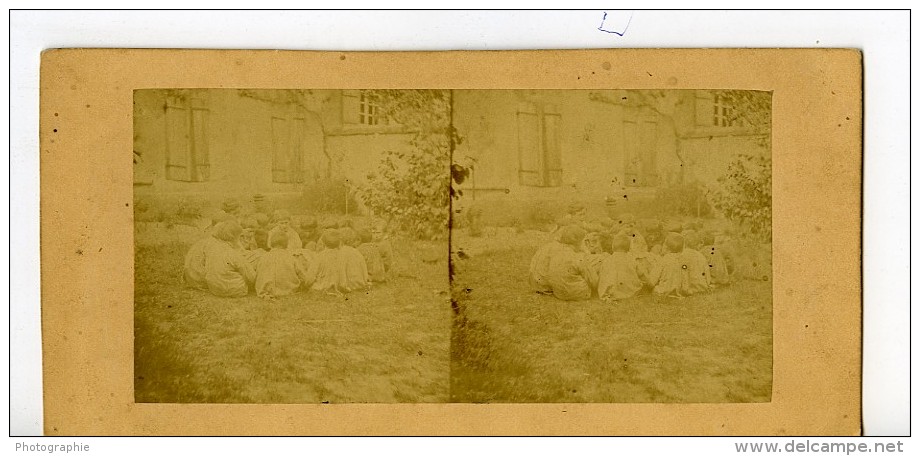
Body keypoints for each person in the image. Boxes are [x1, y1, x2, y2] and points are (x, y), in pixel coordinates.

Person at [204, 220, 256, 298]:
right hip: (234, 289)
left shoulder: (213, 249)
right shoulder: (233, 253)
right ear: (234, 238)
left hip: (214, 288)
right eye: (239, 237)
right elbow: (251, 277)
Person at [545, 225, 596, 301]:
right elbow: (593, 281)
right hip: (579, 293)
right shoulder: (578, 257)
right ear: (578, 241)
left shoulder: (556, 253)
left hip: (558, 293)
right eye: (584, 241)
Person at [254, 231, 310, 299]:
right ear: (286, 244)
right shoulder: (291, 258)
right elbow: (303, 276)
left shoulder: (263, 257)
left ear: (271, 243)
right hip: (288, 290)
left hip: (266, 291)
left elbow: (257, 274)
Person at [597, 233, 643, 301]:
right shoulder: (631, 259)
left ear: (612, 247)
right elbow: (642, 275)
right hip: (629, 293)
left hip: (610, 293)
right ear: (629, 248)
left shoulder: (606, 260)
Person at [305, 229, 348, 295]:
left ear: (323, 243)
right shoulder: (341, 257)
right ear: (339, 243)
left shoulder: (319, 256)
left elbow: (310, 278)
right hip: (335, 288)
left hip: (319, 289)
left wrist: (306, 285)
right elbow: (343, 281)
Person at [339, 227, 370, 292]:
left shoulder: (342, 252)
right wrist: (366, 282)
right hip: (361, 284)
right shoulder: (357, 252)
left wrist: (344, 286)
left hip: (350, 285)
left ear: (340, 240)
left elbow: (342, 270)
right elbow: (364, 268)